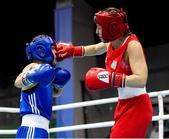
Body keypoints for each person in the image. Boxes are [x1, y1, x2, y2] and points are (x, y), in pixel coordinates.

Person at [55, 7, 153, 138]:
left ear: (112, 27)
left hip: (137, 106)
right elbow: (95, 49)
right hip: (124, 104)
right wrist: (73, 51)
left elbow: (141, 79)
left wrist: (112, 78)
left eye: (100, 27)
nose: (97, 31)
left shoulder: (132, 45)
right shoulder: (112, 43)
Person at [14, 34, 71, 138]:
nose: (56, 52)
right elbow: (17, 82)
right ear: (42, 50)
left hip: (43, 130)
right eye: (53, 48)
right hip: (31, 128)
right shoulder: (33, 67)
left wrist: (60, 85)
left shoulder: (47, 74)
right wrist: (31, 77)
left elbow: (55, 94)